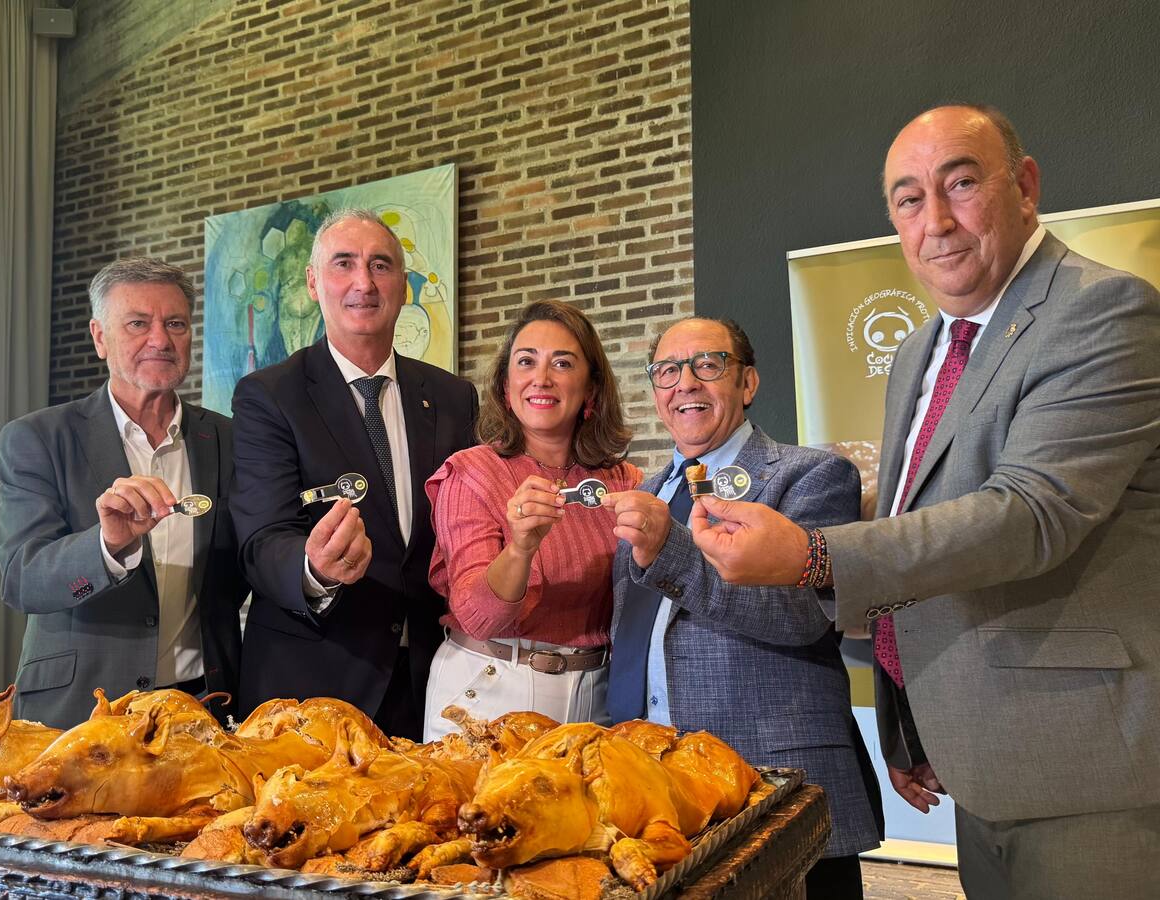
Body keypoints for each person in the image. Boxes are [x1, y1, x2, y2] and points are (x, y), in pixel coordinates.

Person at [689, 105, 1160, 898]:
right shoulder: (919, 349)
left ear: (1025, 186)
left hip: (1089, 774)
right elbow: (922, 528)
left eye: (961, 184)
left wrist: (813, 554)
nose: (935, 221)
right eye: (909, 200)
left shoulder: (1102, 309)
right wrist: (910, 720)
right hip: (974, 758)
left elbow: (1031, 514)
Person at [601, 316, 882, 899]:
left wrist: (671, 548)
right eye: (667, 371)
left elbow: (802, 615)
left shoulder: (811, 475)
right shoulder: (646, 492)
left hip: (774, 781)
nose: (686, 383)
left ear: (747, 383)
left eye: (708, 364)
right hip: (658, 790)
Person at [229, 208, 477, 741]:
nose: (364, 282)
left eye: (380, 265)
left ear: (403, 287)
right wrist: (314, 568)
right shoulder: (269, 396)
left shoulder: (454, 398)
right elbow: (260, 538)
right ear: (313, 283)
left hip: (430, 687)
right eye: (344, 264)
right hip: (315, 689)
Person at [0, 257, 249, 729]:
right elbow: (22, 580)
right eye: (138, 323)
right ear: (99, 338)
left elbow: (242, 567)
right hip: (81, 710)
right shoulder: (38, 438)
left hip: (202, 706)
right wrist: (107, 545)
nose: (161, 339)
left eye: (175, 324)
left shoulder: (229, 439)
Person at [421, 300, 640, 740]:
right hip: (490, 693)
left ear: (591, 390)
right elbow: (479, 618)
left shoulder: (624, 481)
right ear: (506, 387)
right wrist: (521, 549)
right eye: (526, 362)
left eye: (562, 363)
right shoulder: (471, 473)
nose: (542, 378)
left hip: (597, 697)